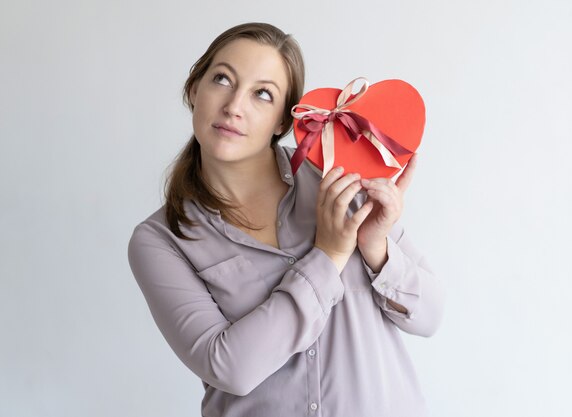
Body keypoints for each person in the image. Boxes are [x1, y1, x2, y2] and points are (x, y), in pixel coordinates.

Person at [127, 22, 445, 417]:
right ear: (194, 88)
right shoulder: (160, 241)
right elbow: (230, 367)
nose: (234, 106)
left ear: (283, 121)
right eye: (223, 79)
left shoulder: (337, 175)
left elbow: (429, 316)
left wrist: (376, 247)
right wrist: (328, 256)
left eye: (262, 94)